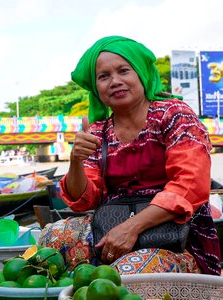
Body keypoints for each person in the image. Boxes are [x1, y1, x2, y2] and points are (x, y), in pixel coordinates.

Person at [40, 36, 221, 275]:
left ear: (141, 74)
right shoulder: (98, 131)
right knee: (51, 239)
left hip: (180, 235)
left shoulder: (174, 114)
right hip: (116, 223)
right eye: (104, 76)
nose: (115, 81)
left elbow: (190, 185)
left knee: (126, 275)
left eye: (123, 71)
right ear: (96, 87)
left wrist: (131, 228)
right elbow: (85, 199)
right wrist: (75, 161)